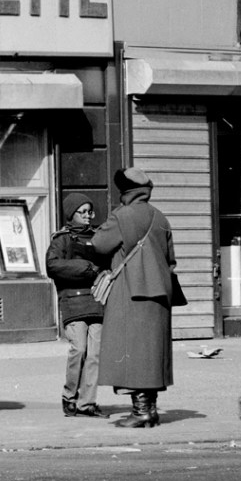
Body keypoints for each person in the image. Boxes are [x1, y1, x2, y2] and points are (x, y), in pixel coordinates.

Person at [91, 167, 177, 428]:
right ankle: (149, 409)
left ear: (125, 191)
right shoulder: (160, 217)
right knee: (151, 353)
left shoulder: (122, 215)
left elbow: (99, 244)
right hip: (160, 294)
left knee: (131, 352)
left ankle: (141, 412)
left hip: (131, 291)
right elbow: (170, 259)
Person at [46, 193, 108, 418]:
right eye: (83, 212)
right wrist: (87, 268)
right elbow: (53, 266)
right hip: (73, 301)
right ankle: (69, 396)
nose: (88, 216)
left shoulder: (99, 237)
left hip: (97, 300)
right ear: (71, 214)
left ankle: (86, 404)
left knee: (95, 354)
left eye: (90, 212)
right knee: (79, 349)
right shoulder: (61, 240)